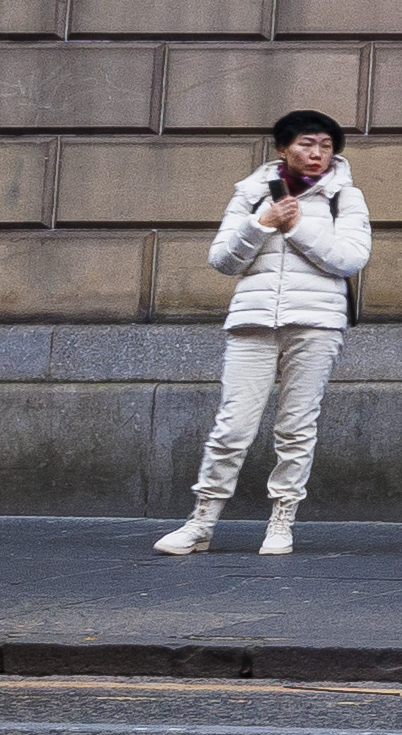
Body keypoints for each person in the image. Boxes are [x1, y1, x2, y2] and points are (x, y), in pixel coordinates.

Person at [159, 108, 370, 556]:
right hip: (252, 322)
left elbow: (350, 259)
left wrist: (297, 228)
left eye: (326, 147)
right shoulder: (250, 194)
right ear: (282, 149)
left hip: (316, 323)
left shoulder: (344, 198)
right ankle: (200, 523)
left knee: (295, 427)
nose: (317, 154)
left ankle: (282, 521)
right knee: (232, 428)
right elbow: (223, 261)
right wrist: (261, 224)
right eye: (306, 144)